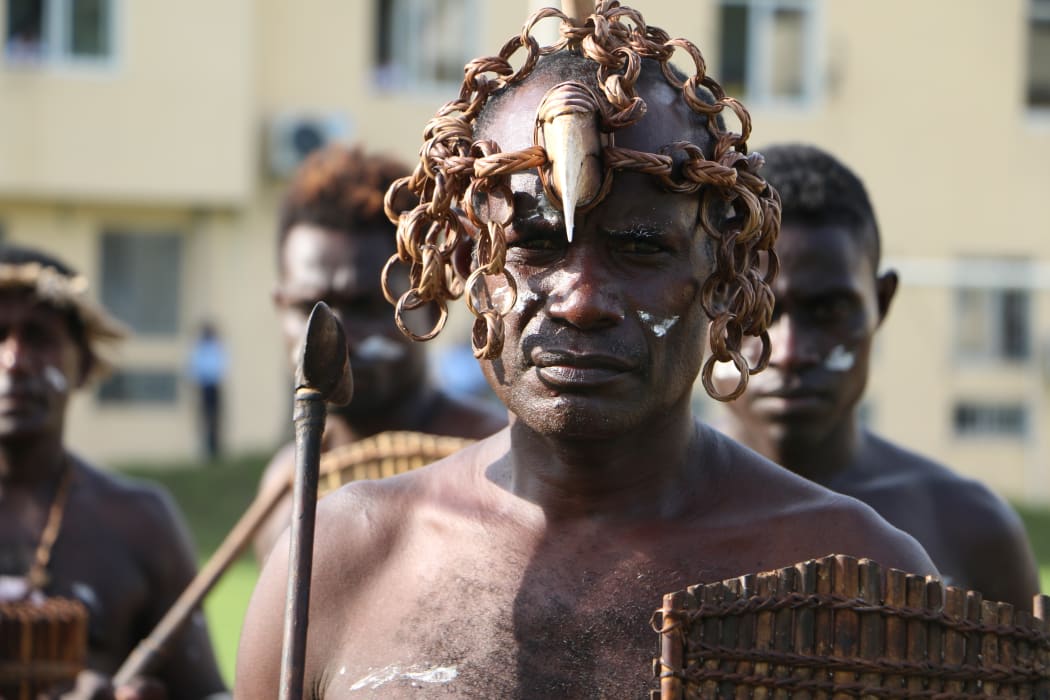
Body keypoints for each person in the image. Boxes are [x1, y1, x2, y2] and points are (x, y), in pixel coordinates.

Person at [236, 4, 936, 696]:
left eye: (640, 246)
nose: (582, 298)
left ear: (725, 276)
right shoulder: (339, 564)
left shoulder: (858, 584)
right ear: (464, 264)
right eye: (534, 245)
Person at [712, 143, 1041, 609]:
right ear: (708, 300)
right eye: (757, 310)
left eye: (827, 311)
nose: (789, 352)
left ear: (881, 303)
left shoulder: (967, 527)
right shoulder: (641, 513)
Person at [252, 144, 506, 562]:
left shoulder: (496, 462)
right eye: (307, 308)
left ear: (431, 300)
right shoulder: (286, 482)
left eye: (366, 307)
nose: (332, 333)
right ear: (280, 306)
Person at [0, 245, 227, 699]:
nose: (14, 359)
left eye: (38, 337)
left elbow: (209, 695)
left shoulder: (140, 522)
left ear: (83, 365)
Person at [187, 321, 228, 461]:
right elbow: (194, 368)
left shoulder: (215, 346)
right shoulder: (200, 347)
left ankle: (216, 449)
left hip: (214, 386)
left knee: (216, 418)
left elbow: (221, 366)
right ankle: (207, 449)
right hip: (204, 387)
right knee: (205, 419)